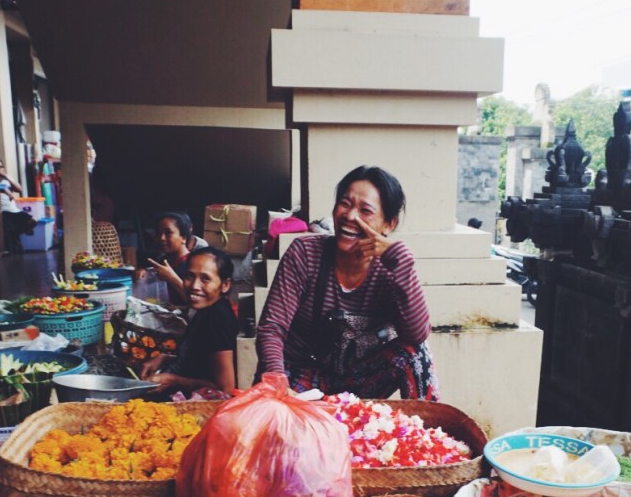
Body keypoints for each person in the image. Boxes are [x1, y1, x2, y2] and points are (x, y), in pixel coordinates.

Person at [255, 165, 437, 399]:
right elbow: (272, 328)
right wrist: (278, 383)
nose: (350, 216)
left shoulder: (392, 270)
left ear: (389, 224)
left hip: (355, 382)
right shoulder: (305, 253)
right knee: (276, 406)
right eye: (344, 203)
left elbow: (416, 336)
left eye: (365, 210)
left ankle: (423, 423)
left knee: (415, 353)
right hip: (300, 377)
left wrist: (401, 261)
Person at [138, 246, 237, 396]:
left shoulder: (218, 319)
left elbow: (225, 388)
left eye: (205, 279)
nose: (194, 286)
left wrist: (172, 380)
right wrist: (164, 358)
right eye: (190, 276)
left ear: (225, 285)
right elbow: (199, 355)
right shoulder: (207, 308)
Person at [142, 211, 206, 304]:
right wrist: (145, 273)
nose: (162, 238)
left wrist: (172, 278)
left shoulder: (194, 264)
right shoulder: (162, 261)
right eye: (158, 233)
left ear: (184, 237)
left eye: (168, 233)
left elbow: (197, 301)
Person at [0, 157, 36, 253]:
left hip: (14, 210)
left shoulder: (6, 180)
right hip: (2, 211)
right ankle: (15, 236)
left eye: (1, 167)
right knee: (8, 227)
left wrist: (6, 176)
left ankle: (17, 233)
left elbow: (19, 189)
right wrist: (6, 190)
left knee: (33, 221)